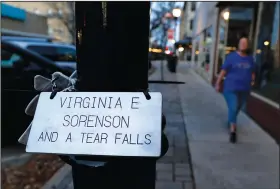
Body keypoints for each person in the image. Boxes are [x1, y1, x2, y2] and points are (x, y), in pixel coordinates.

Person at [215, 37, 256, 143]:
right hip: (230, 88)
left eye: (245, 43)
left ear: (248, 45)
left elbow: (252, 72)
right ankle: (233, 131)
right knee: (233, 107)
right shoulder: (231, 57)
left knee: (238, 107)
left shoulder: (250, 59)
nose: (243, 44)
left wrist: (252, 80)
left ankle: (231, 121)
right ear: (238, 44)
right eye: (241, 42)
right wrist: (218, 83)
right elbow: (223, 71)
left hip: (244, 89)